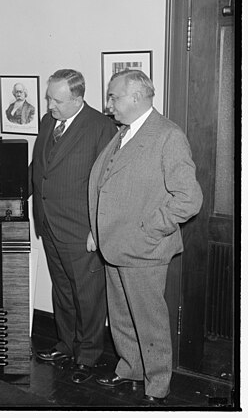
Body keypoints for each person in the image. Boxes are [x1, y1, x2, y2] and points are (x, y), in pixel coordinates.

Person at [88, 69, 202, 405]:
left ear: (137, 96)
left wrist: (149, 230)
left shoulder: (167, 135)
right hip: (114, 244)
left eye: (114, 97)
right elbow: (108, 185)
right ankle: (131, 368)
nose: (109, 105)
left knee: (149, 321)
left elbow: (189, 199)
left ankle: (157, 385)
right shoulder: (123, 132)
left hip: (143, 248)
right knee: (122, 315)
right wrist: (96, 229)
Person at [31, 69, 117, 384]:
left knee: (88, 296)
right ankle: (66, 345)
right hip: (49, 224)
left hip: (82, 230)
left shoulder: (101, 127)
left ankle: (88, 356)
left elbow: (108, 184)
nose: (50, 105)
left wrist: (98, 228)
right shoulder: (46, 122)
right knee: (64, 291)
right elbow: (39, 167)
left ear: (78, 98)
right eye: (48, 97)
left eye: (57, 99)